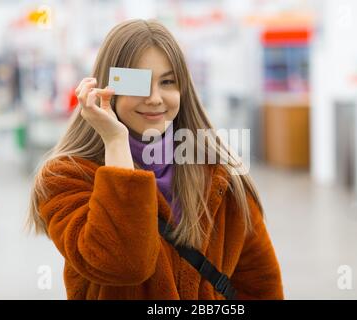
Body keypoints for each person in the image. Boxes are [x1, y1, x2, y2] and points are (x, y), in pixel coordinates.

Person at [26, 19, 284, 300]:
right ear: (106, 88)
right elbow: (123, 264)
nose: (154, 98)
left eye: (167, 82)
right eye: (137, 83)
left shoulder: (221, 176)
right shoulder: (66, 177)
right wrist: (115, 141)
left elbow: (262, 286)